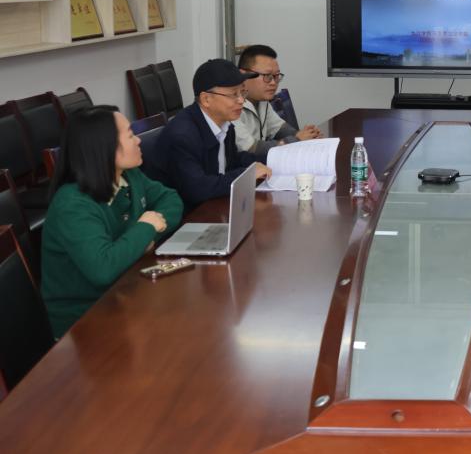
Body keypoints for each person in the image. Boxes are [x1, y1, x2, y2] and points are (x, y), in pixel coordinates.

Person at [42, 106, 184, 338]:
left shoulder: (129, 175)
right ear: (105, 148)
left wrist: (145, 237)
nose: (138, 140)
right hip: (85, 322)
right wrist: (145, 229)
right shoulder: (72, 204)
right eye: (130, 135)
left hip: (128, 289)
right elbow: (103, 269)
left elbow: (171, 200)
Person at [148, 59, 271, 209]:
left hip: (213, 206)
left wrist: (273, 160)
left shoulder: (225, 124)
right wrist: (248, 175)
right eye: (233, 94)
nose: (241, 100)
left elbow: (232, 162)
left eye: (242, 92)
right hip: (184, 216)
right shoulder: (182, 136)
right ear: (206, 99)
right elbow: (198, 189)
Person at [234, 44, 321, 159]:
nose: (273, 83)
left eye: (276, 76)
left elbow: (279, 128)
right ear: (243, 74)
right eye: (267, 76)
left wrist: (307, 135)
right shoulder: (231, 104)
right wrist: (297, 139)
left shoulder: (262, 100)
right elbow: (252, 149)